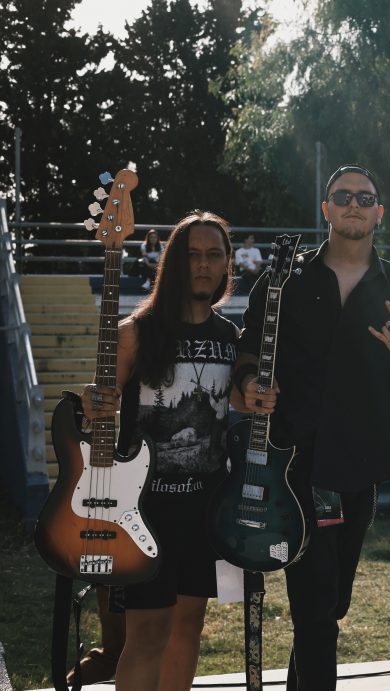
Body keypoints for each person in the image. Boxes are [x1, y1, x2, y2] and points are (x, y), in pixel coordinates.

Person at [238, 164, 390, 691]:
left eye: (365, 199)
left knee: (332, 603)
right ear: (326, 208)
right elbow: (248, 354)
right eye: (343, 196)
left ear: (379, 212)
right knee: (316, 608)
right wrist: (251, 383)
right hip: (294, 462)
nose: (353, 205)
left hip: (360, 462)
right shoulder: (283, 280)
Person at [80, 211, 242, 691]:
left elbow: (238, 402)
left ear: (226, 264)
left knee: (189, 625)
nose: (203, 264)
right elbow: (100, 405)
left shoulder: (230, 338)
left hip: (206, 509)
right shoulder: (136, 331)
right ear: (174, 262)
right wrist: (92, 400)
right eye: (192, 255)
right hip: (145, 512)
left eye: (213, 255)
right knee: (147, 632)